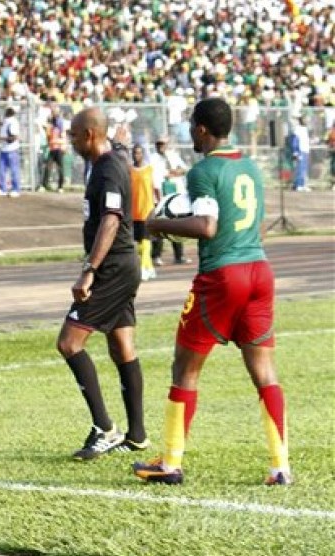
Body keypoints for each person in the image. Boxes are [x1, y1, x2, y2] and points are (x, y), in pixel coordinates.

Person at [134, 98, 291, 486]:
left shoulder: (204, 170)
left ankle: (170, 462)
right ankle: (279, 466)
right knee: (265, 373)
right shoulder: (251, 167)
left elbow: (206, 226)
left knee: (184, 368)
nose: (190, 133)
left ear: (202, 129)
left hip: (223, 276)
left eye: (192, 126)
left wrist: (159, 224)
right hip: (260, 270)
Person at [56, 107, 146, 460]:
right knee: (122, 345)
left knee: (68, 342)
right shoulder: (107, 162)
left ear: (90, 135)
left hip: (110, 269)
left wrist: (89, 269)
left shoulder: (108, 168)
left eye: (74, 135)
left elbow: (111, 219)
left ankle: (105, 428)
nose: (71, 141)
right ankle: (137, 434)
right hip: (124, 264)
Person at [149, 135, 190, 266]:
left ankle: (179, 255)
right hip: (160, 196)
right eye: (158, 144)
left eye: (162, 144)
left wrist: (174, 172)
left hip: (175, 197)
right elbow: (153, 178)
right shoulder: (152, 159)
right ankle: (156, 256)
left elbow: (184, 169)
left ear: (167, 144)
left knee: (177, 227)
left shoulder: (173, 156)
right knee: (160, 225)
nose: (160, 146)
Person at [130, 144, 156, 281]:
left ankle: (142, 268)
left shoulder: (149, 170)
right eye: (134, 153)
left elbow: (156, 187)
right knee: (138, 242)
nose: (136, 155)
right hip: (134, 211)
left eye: (139, 153)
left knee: (146, 240)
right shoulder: (129, 170)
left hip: (148, 209)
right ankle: (150, 267)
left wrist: (158, 202)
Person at [0, 106, 21, 197]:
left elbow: (13, 138)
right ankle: (2, 189)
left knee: (14, 170)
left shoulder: (13, 122)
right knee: (1, 170)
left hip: (12, 150)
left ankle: (16, 189)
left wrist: (0, 138)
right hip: (4, 149)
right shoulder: (8, 121)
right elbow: (3, 125)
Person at [42, 107, 67, 192]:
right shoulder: (51, 127)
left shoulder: (59, 126)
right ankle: (44, 185)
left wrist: (61, 144)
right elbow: (48, 136)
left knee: (60, 168)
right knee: (48, 167)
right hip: (52, 149)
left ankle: (60, 186)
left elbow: (63, 138)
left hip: (58, 149)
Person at [289, 117, 311, 192]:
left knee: (304, 169)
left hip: (305, 151)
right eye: (305, 120)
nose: (307, 121)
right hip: (301, 151)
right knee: (300, 168)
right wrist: (295, 152)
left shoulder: (305, 129)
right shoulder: (298, 129)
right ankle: (299, 185)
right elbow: (295, 141)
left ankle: (302, 184)